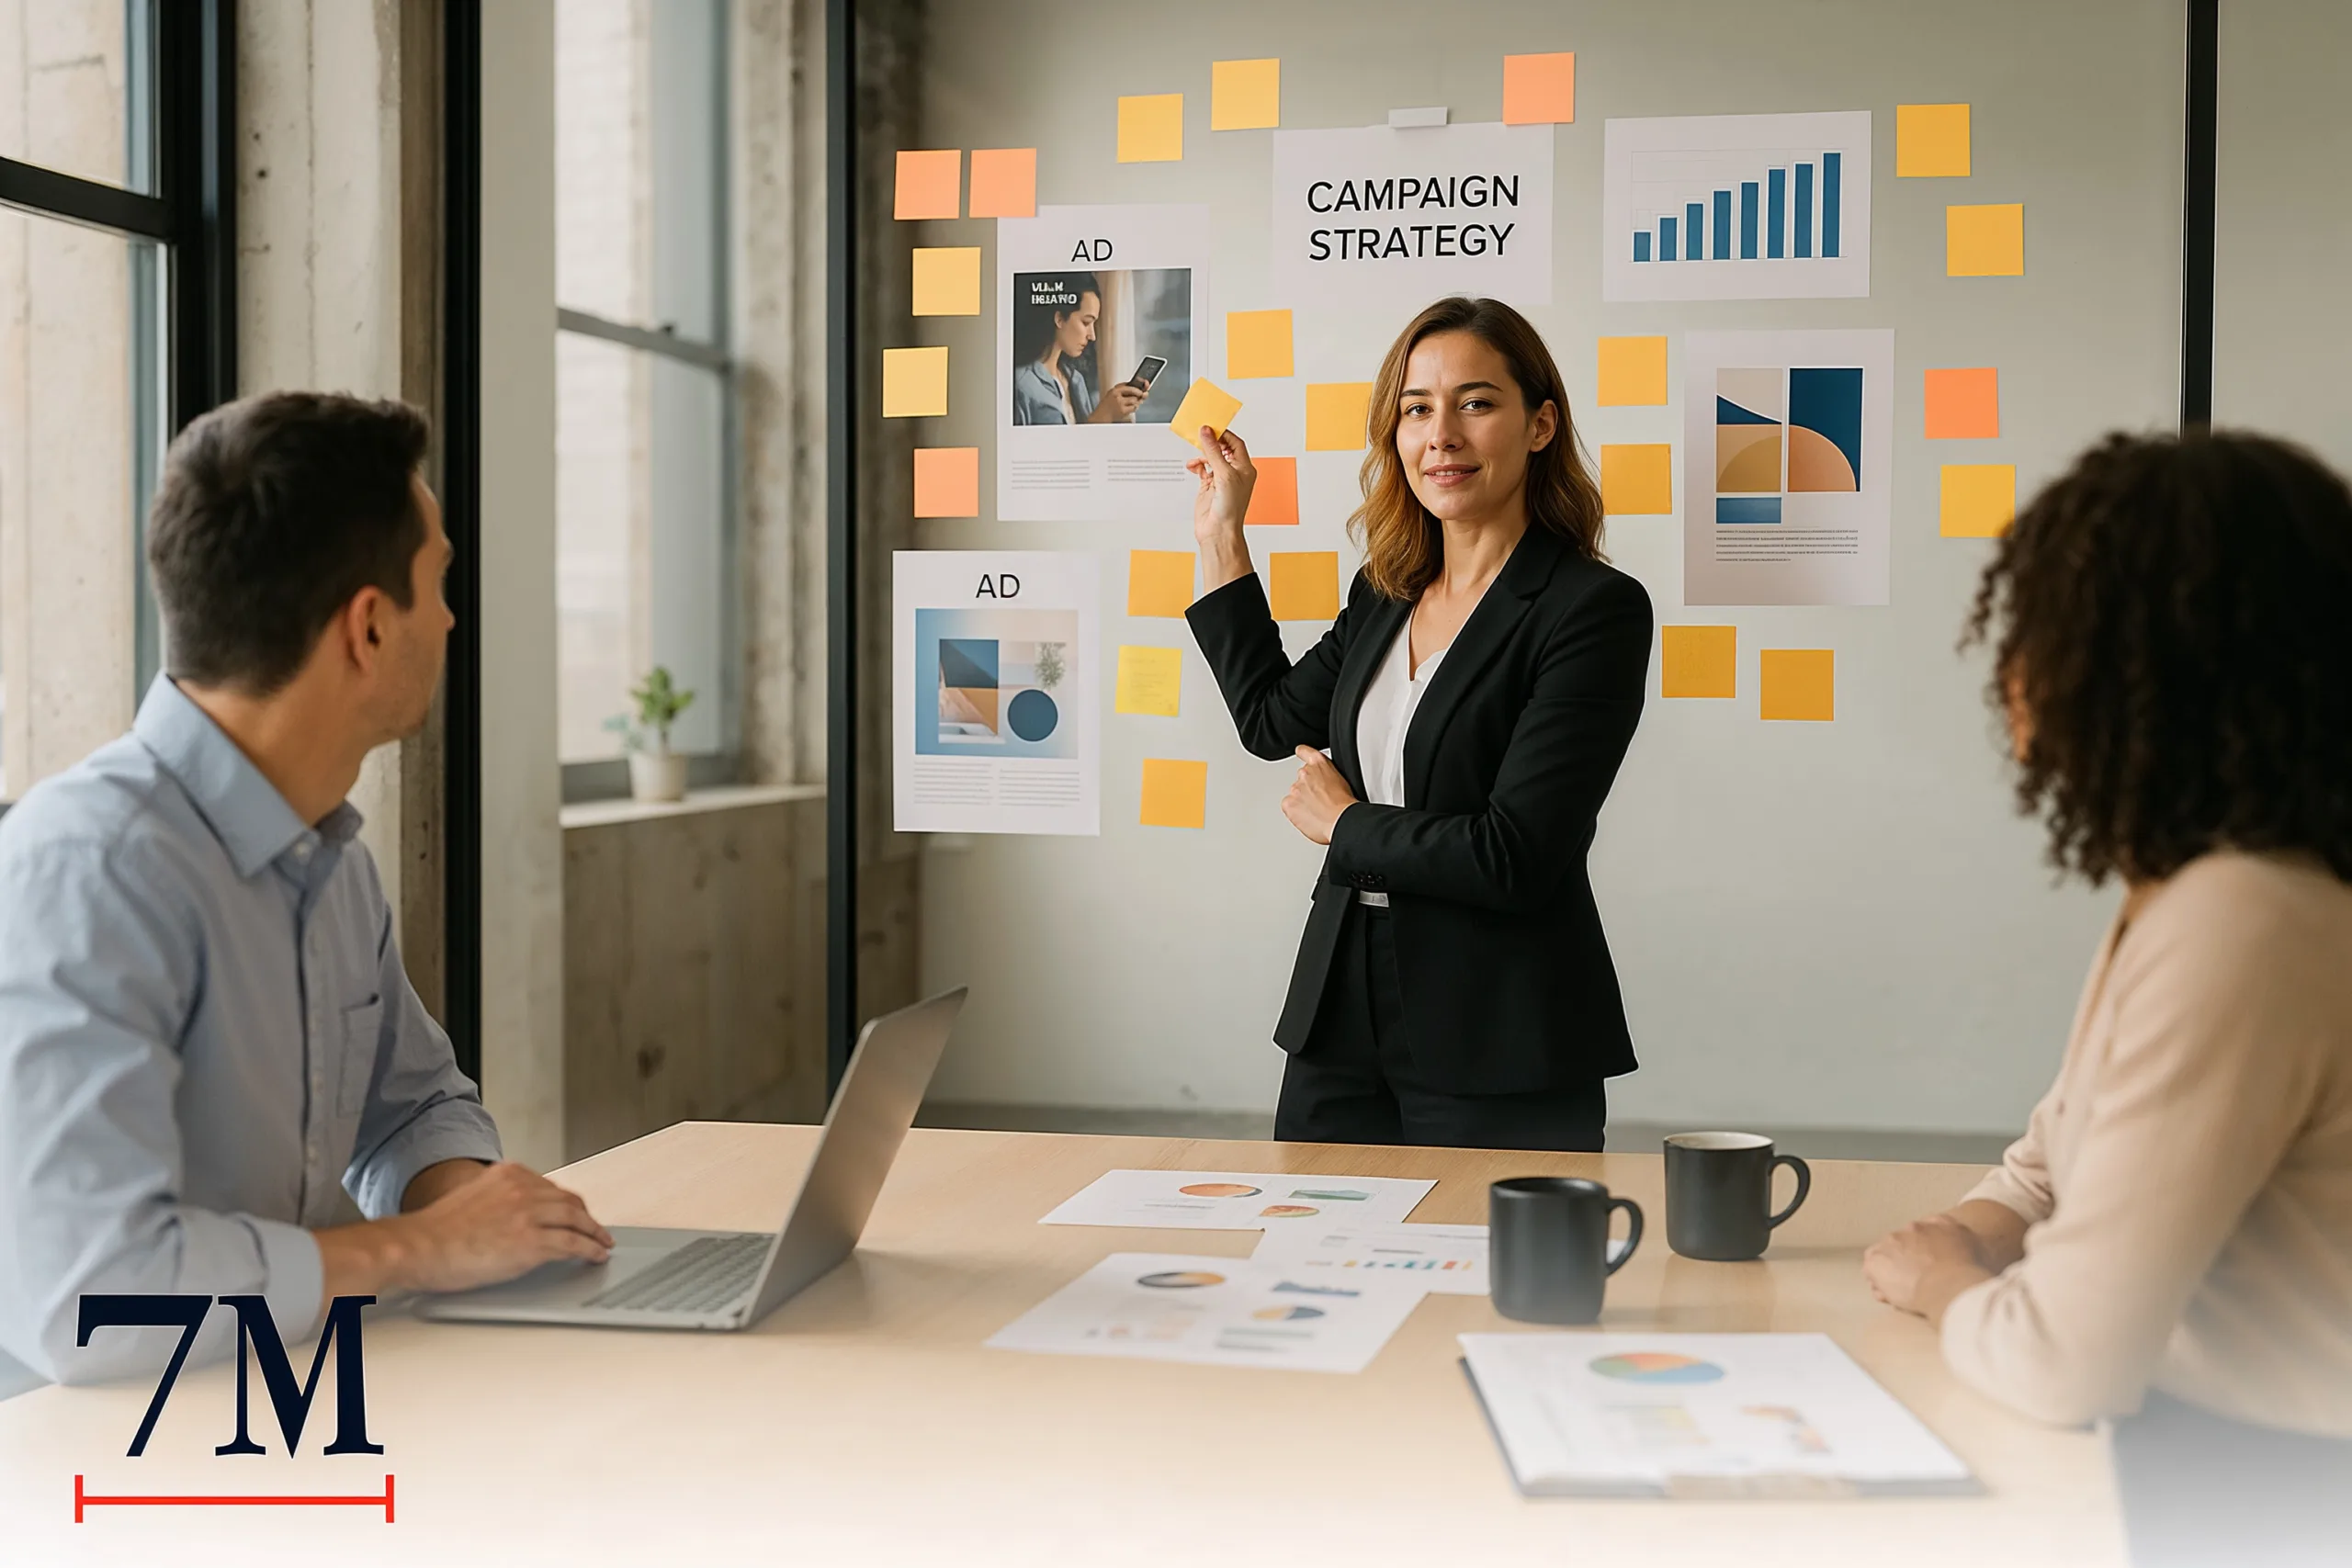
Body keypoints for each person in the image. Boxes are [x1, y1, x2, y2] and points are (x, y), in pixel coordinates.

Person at [0, 392, 614, 1393]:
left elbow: (411, 1108)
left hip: (294, 1393)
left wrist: (492, 1220)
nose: (452, 618)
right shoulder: (87, 871)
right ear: (367, 628)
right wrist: (424, 1250)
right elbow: (93, 1295)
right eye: (438, 583)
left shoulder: (328, 860)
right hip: (102, 1466)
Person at [1860, 432, 2352, 1564]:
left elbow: (2064, 1359)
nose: (2010, 670)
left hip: (2255, 1492)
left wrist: (1944, 1284)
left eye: (2041, 624)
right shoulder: (2200, 886)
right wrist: (1977, 1226)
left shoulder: (2243, 920)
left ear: (2146, 659)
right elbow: (2061, 1149)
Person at [1182, 296, 1652, 1152]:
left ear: (1540, 424)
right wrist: (1223, 532)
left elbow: (1518, 855)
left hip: (1499, 1025)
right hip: (1339, 1015)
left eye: (1476, 402)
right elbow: (1267, 718)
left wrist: (1348, 826)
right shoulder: (1384, 590)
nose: (1442, 435)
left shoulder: (1592, 610)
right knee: (1312, 1265)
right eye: (1416, 408)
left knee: (1492, 1283)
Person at [1010, 272, 1146, 426]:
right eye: (1086, 323)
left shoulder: (1076, 380)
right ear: (1059, 319)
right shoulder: (1021, 385)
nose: (1092, 336)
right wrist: (1102, 415)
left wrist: (1115, 412)